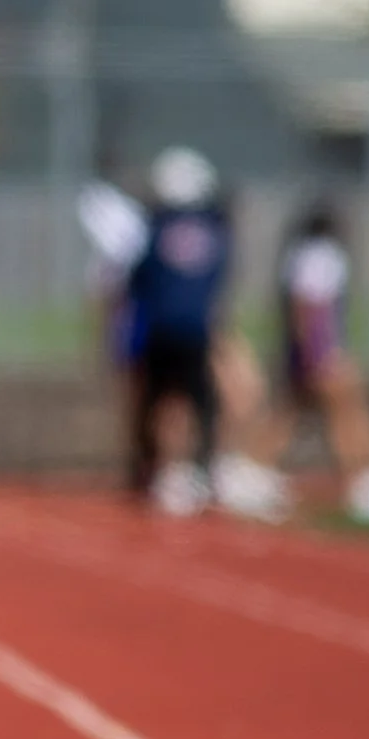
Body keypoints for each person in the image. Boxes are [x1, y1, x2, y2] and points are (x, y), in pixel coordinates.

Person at [219, 202, 369, 524]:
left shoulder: (300, 254)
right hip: (320, 351)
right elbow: (311, 309)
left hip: (308, 351)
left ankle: (250, 467)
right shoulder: (322, 255)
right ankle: (361, 477)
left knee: (292, 412)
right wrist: (321, 354)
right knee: (346, 411)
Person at [125, 147, 231, 515]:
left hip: (158, 328)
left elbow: (136, 279)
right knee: (201, 402)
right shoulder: (215, 228)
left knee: (165, 401)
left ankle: (169, 471)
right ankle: (200, 469)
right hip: (196, 329)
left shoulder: (151, 226)